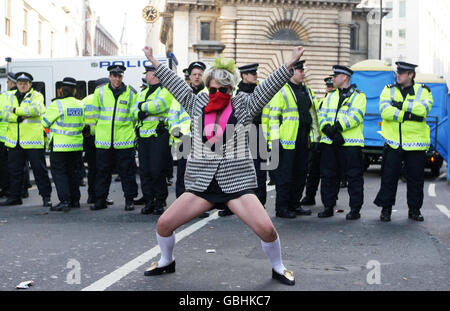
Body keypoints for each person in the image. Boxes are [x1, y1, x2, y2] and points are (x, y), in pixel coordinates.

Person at [140, 45, 306, 286]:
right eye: (212, 88)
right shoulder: (197, 103)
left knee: (267, 230)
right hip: (202, 183)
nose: (216, 92)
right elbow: (174, 84)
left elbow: (269, 87)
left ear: (232, 88)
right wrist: (153, 60)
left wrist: (290, 63)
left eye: (223, 89)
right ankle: (166, 260)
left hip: (235, 184)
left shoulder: (244, 105)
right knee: (164, 224)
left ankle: (278, 267)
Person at [374, 61, 433, 222]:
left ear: (410, 75)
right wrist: (408, 115)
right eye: (397, 72)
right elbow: (385, 111)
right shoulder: (388, 90)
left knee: (415, 179)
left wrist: (400, 106)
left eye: (402, 73)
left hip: (416, 143)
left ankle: (414, 210)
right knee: (389, 178)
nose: (398, 75)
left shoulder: (424, 91)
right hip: (394, 142)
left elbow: (424, 110)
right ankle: (386, 210)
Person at [267, 60, 320, 219]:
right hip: (286, 141)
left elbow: (314, 117)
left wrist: (316, 138)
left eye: (303, 70)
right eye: (300, 70)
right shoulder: (281, 91)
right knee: (285, 177)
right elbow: (273, 118)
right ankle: (282, 208)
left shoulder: (307, 90)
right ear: (291, 72)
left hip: (304, 139)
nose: (303, 73)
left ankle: (295, 204)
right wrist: (275, 144)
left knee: (301, 174)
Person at [317, 65, 366, 220]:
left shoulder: (359, 96)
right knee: (328, 176)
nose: (333, 78)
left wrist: (336, 128)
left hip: (350, 144)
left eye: (336, 76)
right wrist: (328, 130)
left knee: (354, 178)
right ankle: (328, 206)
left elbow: (356, 116)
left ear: (345, 77)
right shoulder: (330, 96)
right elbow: (321, 114)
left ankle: (355, 209)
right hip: (330, 143)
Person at [89, 65, 138, 211]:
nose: (116, 79)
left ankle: (129, 200)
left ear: (122, 77)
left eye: (119, 76)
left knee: (127, 173)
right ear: (110, 76)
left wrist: (131, 133)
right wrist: (94, 132)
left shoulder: (130, 93)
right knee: (102, 173)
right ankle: (100, 200)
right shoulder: (100, 92)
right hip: (104, 141)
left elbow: (134, 116)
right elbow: (94, 114)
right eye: (114, 76)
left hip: (124, 140)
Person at [0, 72, 52, 207]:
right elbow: (3, 113)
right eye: (20, 83)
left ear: (30, 84)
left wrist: (15, 110)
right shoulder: (8, 96)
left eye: (25, 83)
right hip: (14, 141)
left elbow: (36, 110)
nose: (22, 86)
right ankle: (14, 197)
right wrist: (16, 117)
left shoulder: (37, 95)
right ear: (16, 84)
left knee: (39, 171)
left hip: (32, 141)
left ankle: (46, 197)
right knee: (14, 171)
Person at [168, 61, 210, 219]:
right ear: (190, 76)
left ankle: (198, 208)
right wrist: (177, 133)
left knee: (200, 176)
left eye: (200, 74)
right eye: (194, 74)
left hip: (202, 141)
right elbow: (172, 116)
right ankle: (181, 208)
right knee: (183, 175)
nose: (197, 77)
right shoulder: (182, 93)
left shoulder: (209, 94)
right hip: (183, 140)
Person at [133, 65, 175, 215]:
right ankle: (149, 201)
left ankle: (159, 201)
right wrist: (139, 111)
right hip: (143, 136)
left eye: (150, 73)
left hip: (159, 136)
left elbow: (158, 106)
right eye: (148, 73)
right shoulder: (143, 92)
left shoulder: (165, 91)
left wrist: (141, 108)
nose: (148, 76)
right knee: (145, 172)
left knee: (157, 171)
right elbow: (132, 111)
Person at [42, 77, 85, 212]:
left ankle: (65, 201)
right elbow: (82, 124)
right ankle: (75, 200)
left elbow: (44, 122)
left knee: (60, 174)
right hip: (76, 145)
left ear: (61, 90)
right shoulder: (80, 104)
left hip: (60, 146)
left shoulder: (57, 105)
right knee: (74, 173)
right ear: (74, 90)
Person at [300, 77, 335, 206]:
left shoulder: (334, 101)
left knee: (330, 173)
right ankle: (310, 196)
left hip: (330, 141)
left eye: (332, 86)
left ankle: (331, 198)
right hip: (318, 141)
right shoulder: (321, 101)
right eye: (328, 86)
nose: (330, 88)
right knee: (313, 172)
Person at [0, 72, 17, 198]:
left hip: (2, 136)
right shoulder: (22, 96)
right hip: (16, 136)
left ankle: (6, 189)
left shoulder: (4, 96)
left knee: (4, 165)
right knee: (18, 164)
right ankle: (22, 189)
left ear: (12, 82)